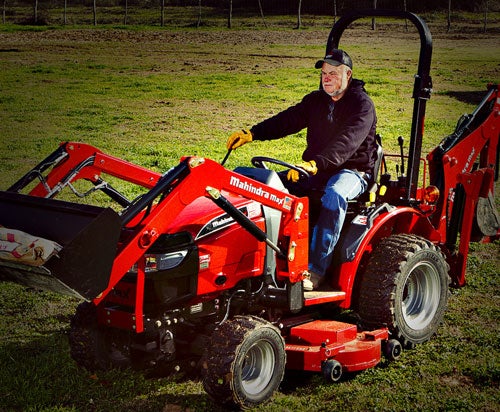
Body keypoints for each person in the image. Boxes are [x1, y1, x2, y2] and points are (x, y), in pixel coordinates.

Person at [226, 49, 377, 291]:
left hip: (353, 171)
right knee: (268, 187)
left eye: (333, 74)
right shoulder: (316, 101)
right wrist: (253, 133)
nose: (326, 78)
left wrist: (317, 164)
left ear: (348, 75)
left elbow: (347, 142)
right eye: (324, 74)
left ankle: (315, 270)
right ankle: (264, 257)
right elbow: (287, 120)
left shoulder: (362, 106)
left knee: (335, 194)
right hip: (318, 168)